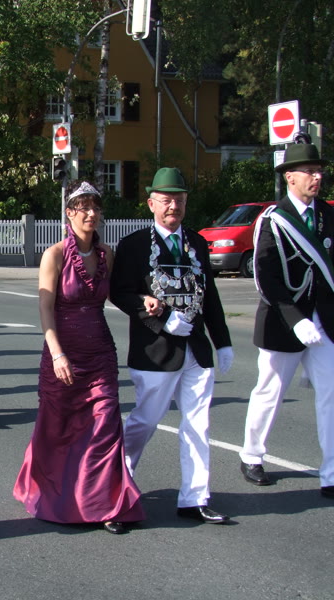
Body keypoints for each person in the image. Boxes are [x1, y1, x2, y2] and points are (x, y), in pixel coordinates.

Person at [14, 181, 145, 534]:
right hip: (63, 353)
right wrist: (57, 354)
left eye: (96, 207)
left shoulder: (107, 254)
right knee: (58, 429)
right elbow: (45, 308)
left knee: (105, 427)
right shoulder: (54, 255)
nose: (91, 214)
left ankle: (106, 505)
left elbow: (118, 294)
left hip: (100, 353)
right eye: (84, 207)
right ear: (69, 213)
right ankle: (54, 494)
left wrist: (144, 301)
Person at [110, 167, 234, 524]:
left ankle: (194, 497)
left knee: (198, 423)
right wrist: (160, 320)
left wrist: (222, 341)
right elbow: (120, 293)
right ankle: (116, 485)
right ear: (151, 204)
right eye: (166, 200)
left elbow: (209, 296)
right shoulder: (134, 245)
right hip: (156, 350)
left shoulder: (197, 242)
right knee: (146, 421)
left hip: (196, 348)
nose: (173, 206)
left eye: (179, 200)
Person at [238, 143, 334, 499]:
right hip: (284, 320)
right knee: (270, 392)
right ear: (290, 177)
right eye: (309, 171)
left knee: (331, 396)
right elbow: (266, 276)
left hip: (325, 320)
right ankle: (252, 455)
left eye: (319, 170)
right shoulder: (274, 219)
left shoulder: (328, 215)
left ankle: (331, 472)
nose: (316, 177)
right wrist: (296, 320)